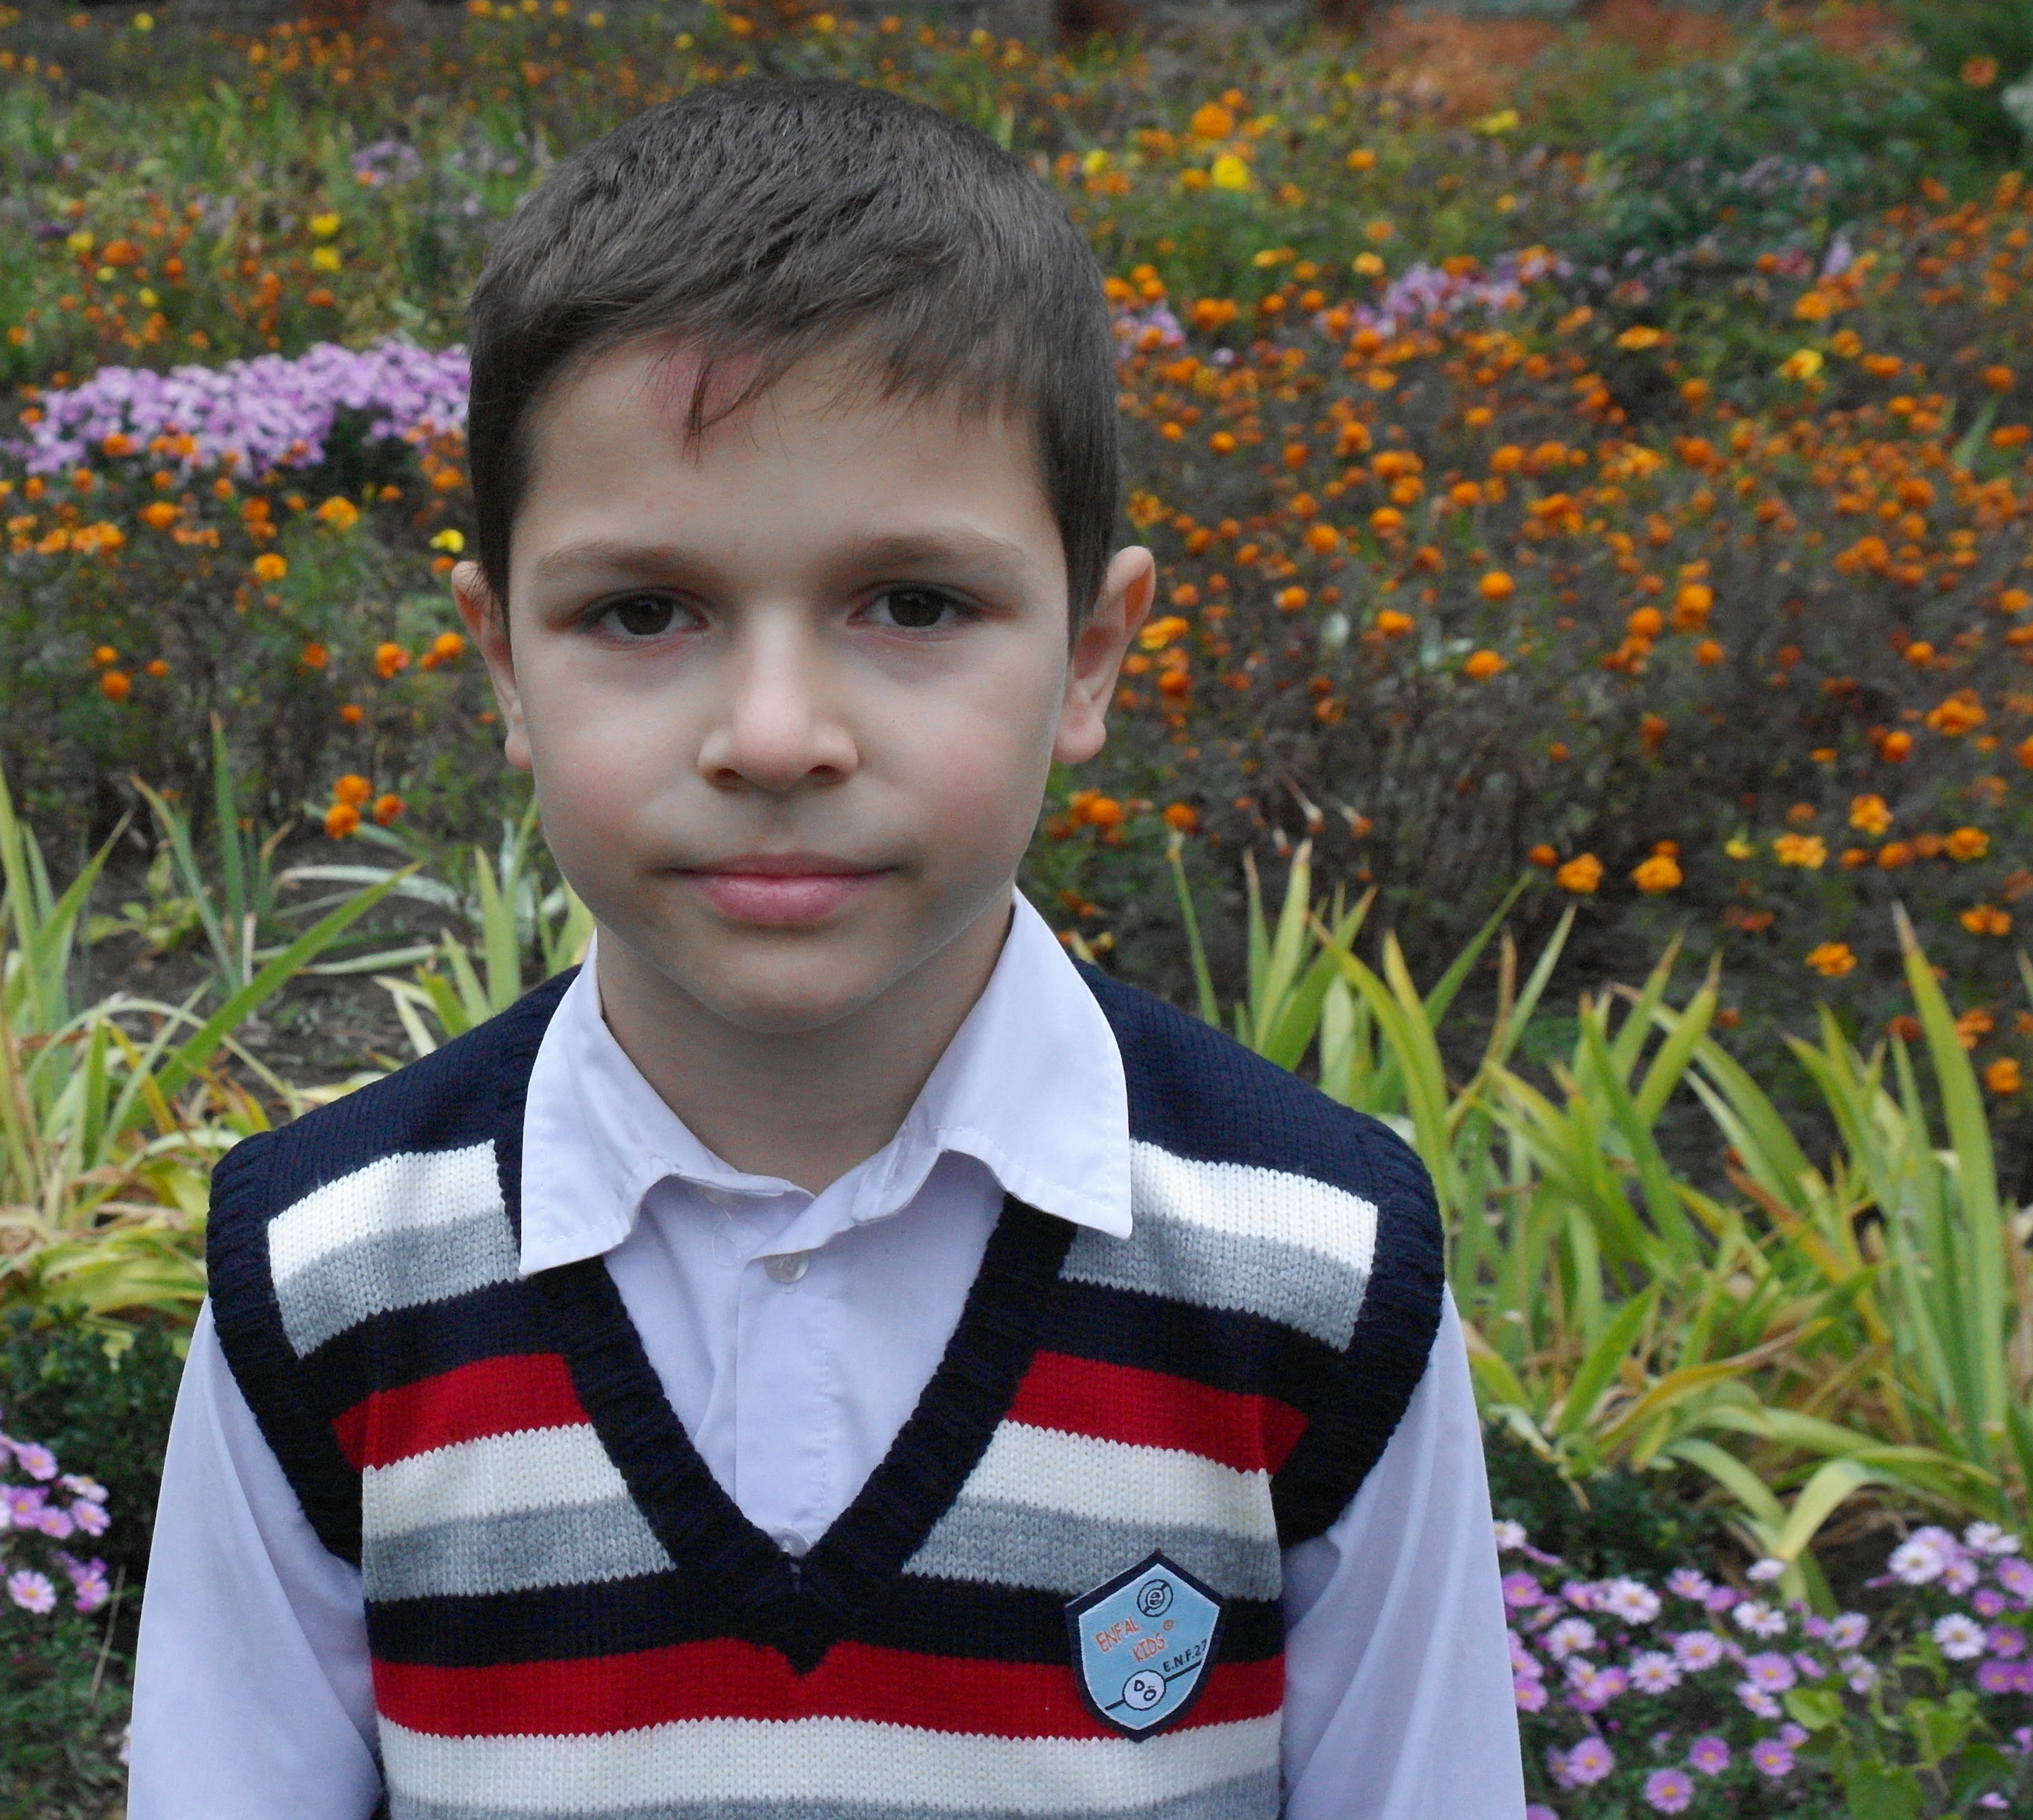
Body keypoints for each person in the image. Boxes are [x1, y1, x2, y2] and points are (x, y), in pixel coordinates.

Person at [127, 75, 1524, 1819]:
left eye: (913, 603)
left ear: (1090, 652)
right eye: (643, 610)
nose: (777, 735)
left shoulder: (1307, 1274)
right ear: (502, 661)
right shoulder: (333, 1284)